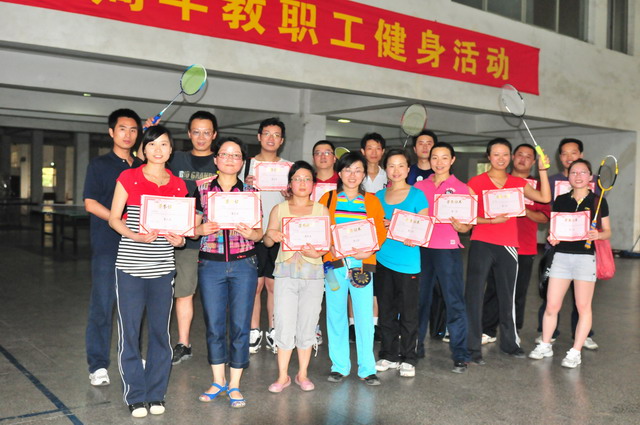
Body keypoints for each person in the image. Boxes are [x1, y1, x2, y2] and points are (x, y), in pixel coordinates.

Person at [108, 125, 188, 417]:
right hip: (130, 267)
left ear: (171, 150)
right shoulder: (128, 177)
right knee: (129, 333)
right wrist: (135, 236)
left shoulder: (178, 185)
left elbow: (180, 230)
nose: (158, 149)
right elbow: (114, 219)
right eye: (152, 144)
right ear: (143, 149)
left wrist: (180, 240)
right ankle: (135, 395)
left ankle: (156, 394)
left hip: (163, 269)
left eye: (164, 144)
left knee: (159, 334)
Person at [465, 138, 550, 364]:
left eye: (505, 154)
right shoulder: (476, 182)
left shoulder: (517, 183)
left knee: (507, 296)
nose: (500, 159)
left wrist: (543, 171)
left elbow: (545, 198)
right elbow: (467, 215)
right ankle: (472, 347)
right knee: (474, 295)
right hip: (481, 242)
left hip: (508, 246)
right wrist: (490, 221)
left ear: (510, 157)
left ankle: (510, 344)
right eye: (496, 154)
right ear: (488, 157)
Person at [195, 136, 263, 408]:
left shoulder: (250, 192)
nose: (230, 159)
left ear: (242, 161)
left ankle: (234, 384)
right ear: (216, 159)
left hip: (244, 264)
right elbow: (191, 228)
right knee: (213, 325)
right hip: (210, 265)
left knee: (240, 325)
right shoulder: (201, 189)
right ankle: (217, 380)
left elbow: (259, 233)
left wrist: (251, 234)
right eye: (225, 154)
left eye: (236, 155)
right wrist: (200, 229)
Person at [529, 159, 610, 368]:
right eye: (574, 172)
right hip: (561, 257)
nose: (578, 176)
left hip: (585, 259)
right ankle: (545, 344)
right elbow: (554, 229)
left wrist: (598, 235)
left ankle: (575, 352)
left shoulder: (598, 201)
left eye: (583, 172)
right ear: (569, 176)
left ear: (590, 177)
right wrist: (553, 237)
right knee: (552, 305)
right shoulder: (561, 200)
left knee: (583, 307)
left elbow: (608, 231)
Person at [83, 108, 143, 387]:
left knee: (134, 307)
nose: (127, 134)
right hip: (108, 246)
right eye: (122, 129)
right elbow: (90, 203)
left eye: (133, 130)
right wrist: (118, 220)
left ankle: (132, 357)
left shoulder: (142, 166)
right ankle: (97, 365)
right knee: (103, 305)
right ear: (111, 132)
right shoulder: (99, 165)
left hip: (137, 247)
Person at [320, 151, 387, 386]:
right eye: (348, 170)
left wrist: (369, 251)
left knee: (364, 316)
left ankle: (367, 368)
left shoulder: (372, 201)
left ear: (364, 174)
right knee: (335, 314)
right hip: (332, 266)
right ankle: (339, 366)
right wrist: (329, 245)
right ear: (340, 173)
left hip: (362, 265)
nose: (352, 175)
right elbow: (320, 228)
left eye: (358, 170)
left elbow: (380, 232)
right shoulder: (328, 199)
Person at [263, 161, 330, 393]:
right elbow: (267, 241)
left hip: (313, 274)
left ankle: (302, 374)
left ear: (313, 184)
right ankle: (282, 376)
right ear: (290, 183)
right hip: (286, 273)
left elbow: (326, 245)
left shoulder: (321, 210)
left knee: (308, 323)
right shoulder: (279, 209)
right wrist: (272, 235)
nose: (302, 183)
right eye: (297, 179)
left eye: (307, 179)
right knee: (283, 322)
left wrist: (318, 252)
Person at [414, 142, 473, 373]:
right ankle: (415, 346)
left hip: (447, 250)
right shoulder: (419, 187)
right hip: (421, 249)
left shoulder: (462, 188)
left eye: (444, 157)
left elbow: (468, 226)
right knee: (419, 301)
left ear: (452, 160)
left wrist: (463, 227)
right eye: (435, 158)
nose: (439, 162)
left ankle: (460, 354)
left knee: (453, 301)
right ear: (429, 160)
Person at [537, 138, 599, 350]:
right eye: (564, 153)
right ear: (559, 157)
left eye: (573, 153)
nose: (568, 157)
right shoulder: (552, 181)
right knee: (551, 298)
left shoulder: (594, 188)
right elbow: (550, 211)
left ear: (581, 155)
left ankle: (582, 336)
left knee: (582, 302)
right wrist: (553, 235)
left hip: (584, 253)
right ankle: (547, 336)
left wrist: (597, 234)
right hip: (558, 250)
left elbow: (601, 223)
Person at [168, 110, 218, 365]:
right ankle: (183, 343)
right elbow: (146, 158)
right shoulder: (175, 158)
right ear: (189, 134)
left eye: (206, 132)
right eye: (196, 132)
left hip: (215, 240)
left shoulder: (222, 161)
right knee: (184, 292)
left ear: (214, 135)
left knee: (216, 296)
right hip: (183, 241)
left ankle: (220, 343)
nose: (201, 137)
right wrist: (146, 133)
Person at [374, 148, 428, 378]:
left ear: (408, 169)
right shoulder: (377, 196)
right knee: (386, 311)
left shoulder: (417, 195)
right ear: (385, 169)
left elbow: (423, 227)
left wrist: (401, 229)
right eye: (391, 165)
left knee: (408, 313)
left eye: (401, 165)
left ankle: (408, 357)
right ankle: (388, 354)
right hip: (382, 260)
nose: (396, 170)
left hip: (408, 263)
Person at [242, 117, 289, 354]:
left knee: (274, 285)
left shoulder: (289, 168)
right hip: (253, 232)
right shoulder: (245, 165)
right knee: (255, 284)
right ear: (259, 137)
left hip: (278, 234)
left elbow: (299, 200)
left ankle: (273, 329)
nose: (271, 138)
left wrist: (289, 194)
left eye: (276, 135)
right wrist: (245, 185)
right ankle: (253, 330)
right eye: (267, 134)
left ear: (281, 140)